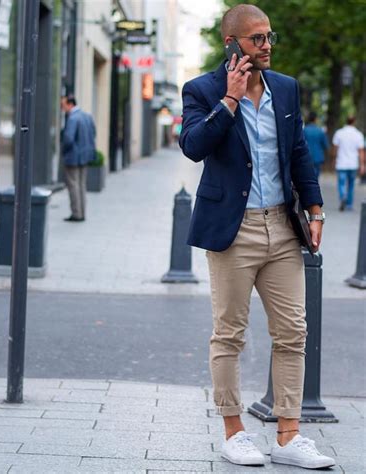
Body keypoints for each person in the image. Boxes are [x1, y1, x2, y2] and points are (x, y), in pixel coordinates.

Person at [179, 4, 334, 470]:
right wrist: (228, 101)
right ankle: (234, 432)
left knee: (293, 331)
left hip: (282, 227)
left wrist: (315, 207)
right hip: (232, 229)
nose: (267, 45)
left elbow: (299, 151)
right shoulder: (201, 90)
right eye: (257, 39)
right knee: (229, 334)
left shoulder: (285, 89)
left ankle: (289, 436)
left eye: (270, 37)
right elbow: (193, 147)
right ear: (232, 44)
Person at [60, 95, 96, 222]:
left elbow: (68, 138)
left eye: (63, 105)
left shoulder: (72, 118)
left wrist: (63, 151)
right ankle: (82, 213)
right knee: (81, 185)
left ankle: (76, 213)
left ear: (70, 104)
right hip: (84, 157)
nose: (62, 108)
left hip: (73, 157)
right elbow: (93, 134)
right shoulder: (87, 116)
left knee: (73, 185)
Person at [332, 116, 365, 211]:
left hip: (341, 163)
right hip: (353, 164)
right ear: (354, 122)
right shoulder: (358, 134)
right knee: (351, 185)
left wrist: (334, 159)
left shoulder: (339, 133)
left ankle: (343, 197)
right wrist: (362, 165)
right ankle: (349, 205)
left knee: (341, 183)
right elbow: (361, 151)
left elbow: (335, 148)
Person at [303, 111, 329, 179]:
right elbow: (325, 145)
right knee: (316, 177)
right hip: (318, 157)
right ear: (316, 119)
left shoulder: (304, 130)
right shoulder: (320, 131)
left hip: (306, 156)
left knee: (306, 176)